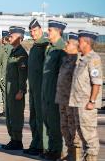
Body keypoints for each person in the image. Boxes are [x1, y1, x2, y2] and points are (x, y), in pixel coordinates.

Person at [69, 30, 103, 161]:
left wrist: (92, 101)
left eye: (80, 40)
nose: (78, 43)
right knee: (82, 133)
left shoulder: (93, 59)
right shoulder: (82, 58)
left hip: (87, 105)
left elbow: (97, 82)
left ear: (87, 42)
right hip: (78, 103)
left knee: (89, 135)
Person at [41, 20, 67, 160]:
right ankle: (51, 148)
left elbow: (63, 74)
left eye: (50, 30)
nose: (47, 32)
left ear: (58, 31)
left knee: (55, 122)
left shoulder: (61, 48)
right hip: (46, 91)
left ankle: (57, 150)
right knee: (48, 121)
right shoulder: (50, 48)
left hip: (55, 92)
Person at [24, 19, 49, 156]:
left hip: (41, 89)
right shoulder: (35, 46)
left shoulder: (45, 45)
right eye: (31, 31)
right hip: (33, 89)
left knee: (40, 118)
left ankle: (41, 145)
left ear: (40, 30)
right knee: (33, 118)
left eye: (34, 31)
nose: (32, 33)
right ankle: (35, 143)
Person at [55, 32, 81, 160]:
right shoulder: (66, 59)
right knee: (64, 128)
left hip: (72, 102)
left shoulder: (78, 61)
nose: (66, 44)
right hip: (63, 100)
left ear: (76, 45)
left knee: (74, 130)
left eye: (69, 43)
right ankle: (70, 153)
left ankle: (76, 156)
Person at [2, 26, 28, 150]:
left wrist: (21, 90)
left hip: (16, 91)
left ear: (20, 38)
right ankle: (13, 139)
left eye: (12, 36)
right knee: (10, 116)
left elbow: (23, 75)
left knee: (16, 116)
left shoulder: (21, 54)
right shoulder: (13, 52)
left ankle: (17, 141)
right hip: (10, 91)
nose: (9, 38)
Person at [0, 30, 12, 116]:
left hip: (4, 73)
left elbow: (3, 62)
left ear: (4, 38)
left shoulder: (5, 48)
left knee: (4, 93)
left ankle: (6, 111)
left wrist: (1, 75)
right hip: (11, 73)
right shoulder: (12, 47)